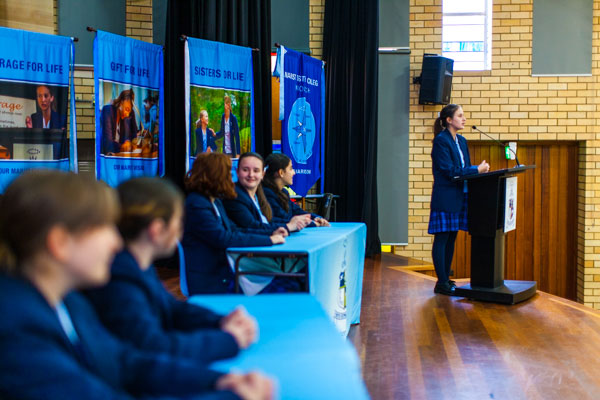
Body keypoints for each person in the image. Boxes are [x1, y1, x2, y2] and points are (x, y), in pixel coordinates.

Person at [0, 170, 274, 399]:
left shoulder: (69, 302)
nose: (116, 242)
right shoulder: (15, 330)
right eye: (104, 228)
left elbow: (124, 362)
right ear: (60, 243)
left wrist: (218, 381)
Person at [86, 177, 259, 364]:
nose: (181, 229)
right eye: (179, 220)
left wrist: (220, 321)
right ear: (157, 230)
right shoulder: (120, 281)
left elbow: (171, 307)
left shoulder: (135, 266)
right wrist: (229, 340)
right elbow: (153, 347)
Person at [182, 153, 287, 295]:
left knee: (283, 279)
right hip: (212, 278)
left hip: (227, 270)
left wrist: (271, 233)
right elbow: (223, 238)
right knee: (284, 284)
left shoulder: (214, 201)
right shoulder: (197, 203)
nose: (231, 179)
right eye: (227, 173)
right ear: (215, 175)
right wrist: (269, 240)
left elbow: (234, 229)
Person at [428, 104, 490, 296]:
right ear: (448, 120)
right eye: (460, 116)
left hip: (460, 195)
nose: (464, 119)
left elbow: (465, 168)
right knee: (443, 237)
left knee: (452, 237)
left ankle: (446, 278)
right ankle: (441, 282)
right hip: (446, 196)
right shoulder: (441, 141)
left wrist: (476, 172)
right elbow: (450, 172)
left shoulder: (461, 141)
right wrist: (475, 170)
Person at [222, 152, 310, 233]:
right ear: (237, 172)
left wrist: (311, 219)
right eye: (245, 170)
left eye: (256, 170)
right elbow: (252, 226)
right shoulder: (235, 195)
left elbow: (268, 222)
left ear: (262, 174)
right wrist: (288, 226)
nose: (251, 175)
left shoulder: (258, 194)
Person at [263, 153, 330, 228]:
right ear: (281, 173)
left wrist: (317, 218)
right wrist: (313, 224)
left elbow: (297, 211)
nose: (294, 173)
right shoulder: (266, 193)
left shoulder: (283, 192)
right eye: (291, 168)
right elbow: (284, 219)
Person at [101, 89, 139, 154]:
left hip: (119, 153)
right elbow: (108, 142)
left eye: (129, 111)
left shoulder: (127, 114)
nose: (127, 114)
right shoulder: (108, 111)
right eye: (126, 109)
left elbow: (133, 133)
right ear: (121, 102)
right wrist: (122, 146)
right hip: (107, 153)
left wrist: (128, 141)